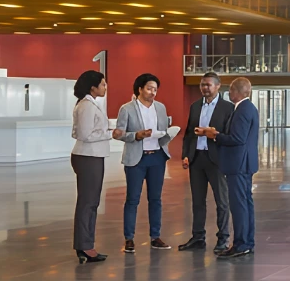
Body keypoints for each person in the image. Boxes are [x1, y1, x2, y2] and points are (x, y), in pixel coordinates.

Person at [114, 72, 174, 252]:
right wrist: (136, 135)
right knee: (132, 199)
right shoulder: (127, 109)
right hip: (136, 159)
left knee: (155, 199)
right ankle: (129, 238)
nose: (152, 92)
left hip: (157, 156)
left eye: (155, 89)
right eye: (149, 88)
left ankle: (155, 236)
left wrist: (168, 134)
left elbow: (163, 130)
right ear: (139, 89)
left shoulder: (161, 108)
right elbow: (119, 133)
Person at [178, 72, 233, 253]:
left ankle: (223, 239)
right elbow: (188, 134)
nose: (205, 88)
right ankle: (198, 237)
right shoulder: (195, 106)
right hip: (197, 159)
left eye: (208, 85)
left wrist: (212, 134)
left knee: (222, 201)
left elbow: (229, 135)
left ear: (218, 86)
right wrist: (186, 154)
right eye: (202, 85)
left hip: (217, 159)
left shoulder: (227, 108)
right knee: (197, 201)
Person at [215, 77, 260, 259]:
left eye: (231, 90)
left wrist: (216, 135)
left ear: (237, 92)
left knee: (239, 205)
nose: (229, 93)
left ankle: (241, 244)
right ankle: (247, 242)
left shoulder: (242, 109)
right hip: (245, 164)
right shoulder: (249, 108)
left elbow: (237, 139)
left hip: (238, 165)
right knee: (245, 204)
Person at [70, 70, 111, 264]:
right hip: (88, 156)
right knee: (88, 203)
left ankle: (86, 244)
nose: (105, 87)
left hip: (92, 155)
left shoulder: (90, 103)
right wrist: (110, 134)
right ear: (92, 87)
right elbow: (85, 135)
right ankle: (84, 246)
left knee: (91, 202)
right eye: (102, 84)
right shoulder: (86, 105)